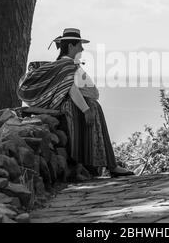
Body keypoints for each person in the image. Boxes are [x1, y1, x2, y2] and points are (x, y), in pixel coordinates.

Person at [18, 28, 134, 180]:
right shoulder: (66, 67)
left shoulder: (68, 66)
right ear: (71, 46)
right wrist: (86, 109)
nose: (82, 49)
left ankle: (95, 166)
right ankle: (108, 166)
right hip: (71, 105)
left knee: (94, 107)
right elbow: (72, 89)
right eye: (80, 45)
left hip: (72, 103)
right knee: (94, 108)